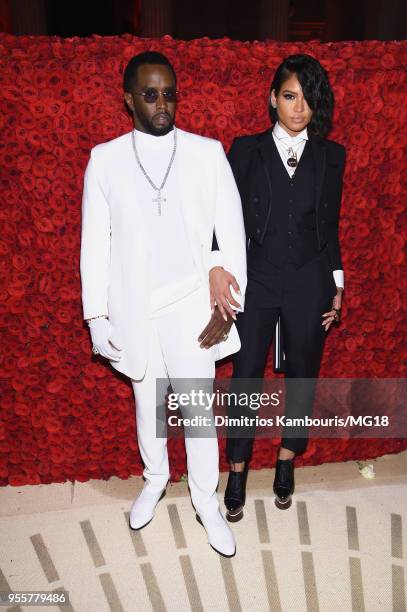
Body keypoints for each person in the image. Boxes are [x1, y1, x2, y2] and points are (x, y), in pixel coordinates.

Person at [80, 51, 247, 556]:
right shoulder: (105, 159)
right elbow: (95, 243)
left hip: (192, 303)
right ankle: (155, 479)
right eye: (150, 94)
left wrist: (228, 307)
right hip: (133, 307)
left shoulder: (206, 152)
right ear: (128, 98)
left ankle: (206, 502)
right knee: (146, 404)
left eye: (170, 93)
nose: (162, 103)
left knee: (198, 412)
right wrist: (95, 316)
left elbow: (232, 234)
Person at [210, 54, 346, 520]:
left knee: (303, 374)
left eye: (309, 100)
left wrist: (337, 284)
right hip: (257, 276)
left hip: (310, 277)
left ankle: (287, 461)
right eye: (290, 96)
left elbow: (329, 226)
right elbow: (223, 221)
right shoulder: (245, 151)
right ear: (273, 98)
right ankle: (238, 469)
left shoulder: (332, 156)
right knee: (246, 375)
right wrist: (219, 269)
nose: (299, 108)